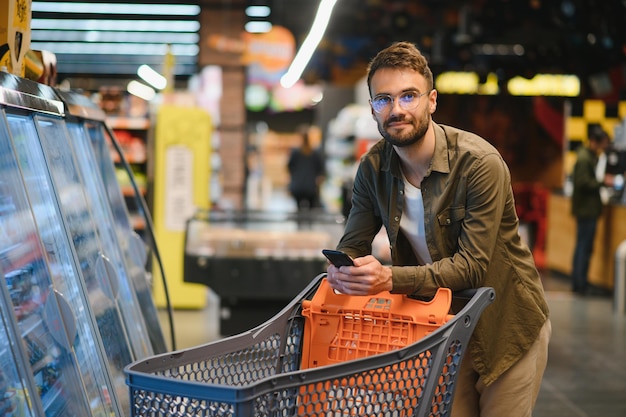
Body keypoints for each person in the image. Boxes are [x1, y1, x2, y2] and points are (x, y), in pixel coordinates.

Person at [325, 41, 551, 417]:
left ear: (431, 101)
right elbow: (353, 243)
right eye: (384, 99)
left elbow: (472, 268)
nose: (397, 109)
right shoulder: (373, 168)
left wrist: (388, 279)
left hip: (507, 327)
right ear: (372, 109)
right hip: (440, 326)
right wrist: (345, 269)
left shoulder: (479, 164)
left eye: (408, 96)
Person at [570, 125, 613, 295]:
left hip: (587, 209)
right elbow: (582, 182)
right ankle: (580, 284)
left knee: (583, 246)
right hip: (586, 210)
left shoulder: (588, 156)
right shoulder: (584, 158)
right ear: (594, 141)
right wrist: (603, 182)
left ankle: (580, 283)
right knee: (583, 247)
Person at [287, 125, 325, 212]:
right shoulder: (315, 153)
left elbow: (289, 167)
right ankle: (309, 225)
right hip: (311, 186)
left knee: (298, 210)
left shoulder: (295, 152)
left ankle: (300, 224)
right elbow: (320, 169)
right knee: (311, 210)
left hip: (297, 186)